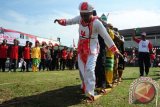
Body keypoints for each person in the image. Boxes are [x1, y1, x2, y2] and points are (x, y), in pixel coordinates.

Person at [54, 2, 121, 101]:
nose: (84, 17)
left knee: (89, 69)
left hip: (92, 50)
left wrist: (114, 49)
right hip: (81, 50)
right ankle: (85, 86)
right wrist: (61, 21)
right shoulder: (80, 18)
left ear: (91, 13)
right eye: (82, 14)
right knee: (82, 71)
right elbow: (69, 21)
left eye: (86, 15)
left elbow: (106, 37)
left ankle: (90, 93)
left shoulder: (97, 23)